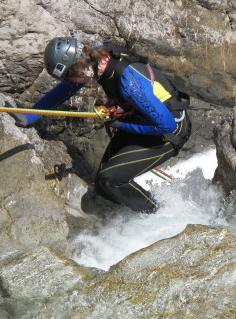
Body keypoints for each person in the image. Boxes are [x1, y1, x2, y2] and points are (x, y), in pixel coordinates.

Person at [11, 38, 191, 214]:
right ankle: (132, 218)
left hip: (168, 130)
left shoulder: (129, 81)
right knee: (102, 186)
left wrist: (120, 123)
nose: (71, 83)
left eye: (70, 77)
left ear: (81, 70)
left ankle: (157, 214)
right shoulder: (94, 57)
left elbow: (165, 125)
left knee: (110, 180)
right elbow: (66, 90)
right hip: (141, 120)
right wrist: (29, 116)